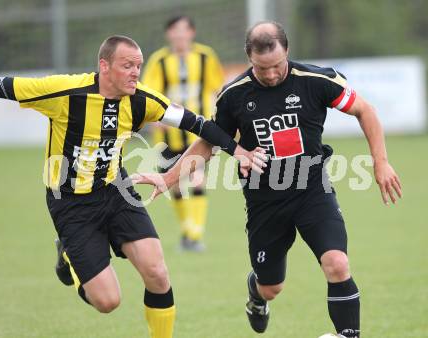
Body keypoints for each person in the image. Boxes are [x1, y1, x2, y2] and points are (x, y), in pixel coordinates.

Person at [132, 22, 402, 337]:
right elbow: (210, 141)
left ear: (287, 52)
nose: (271, 74)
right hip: (264, 200)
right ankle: (256, 294)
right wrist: (169, 177)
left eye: (277, 66)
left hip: (312, 190)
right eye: (262, 69)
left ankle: (347, 334)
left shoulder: (316, 80)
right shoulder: (234, 94)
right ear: (249, 59)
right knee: (271, 286)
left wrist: (380, 162)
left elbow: (365, 111)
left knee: (338, 264)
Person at [0, 35, 266, 338]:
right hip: (70, 203)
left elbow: (198, 124)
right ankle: (68, 255)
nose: (136, 72)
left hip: (117, 190)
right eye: (127, 66)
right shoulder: (64, 92)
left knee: (158, 273)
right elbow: (0, 86)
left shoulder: (142, 100)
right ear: (104, 66)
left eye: (138, 66)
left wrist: (237, 150)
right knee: (108, 302)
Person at [142, 15, 225, 251]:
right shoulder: (159, 61)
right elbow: (150, 92)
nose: (179, 35)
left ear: (192, 33)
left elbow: (218, 88)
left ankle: (194, 234)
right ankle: (187, 231)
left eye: (184, 30)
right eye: (175, 31)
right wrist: (153, 118)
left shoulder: (205, 56)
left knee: (197, 178)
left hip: (197, 134)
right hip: (167, 135)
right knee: (175, 184)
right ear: (168, 34)